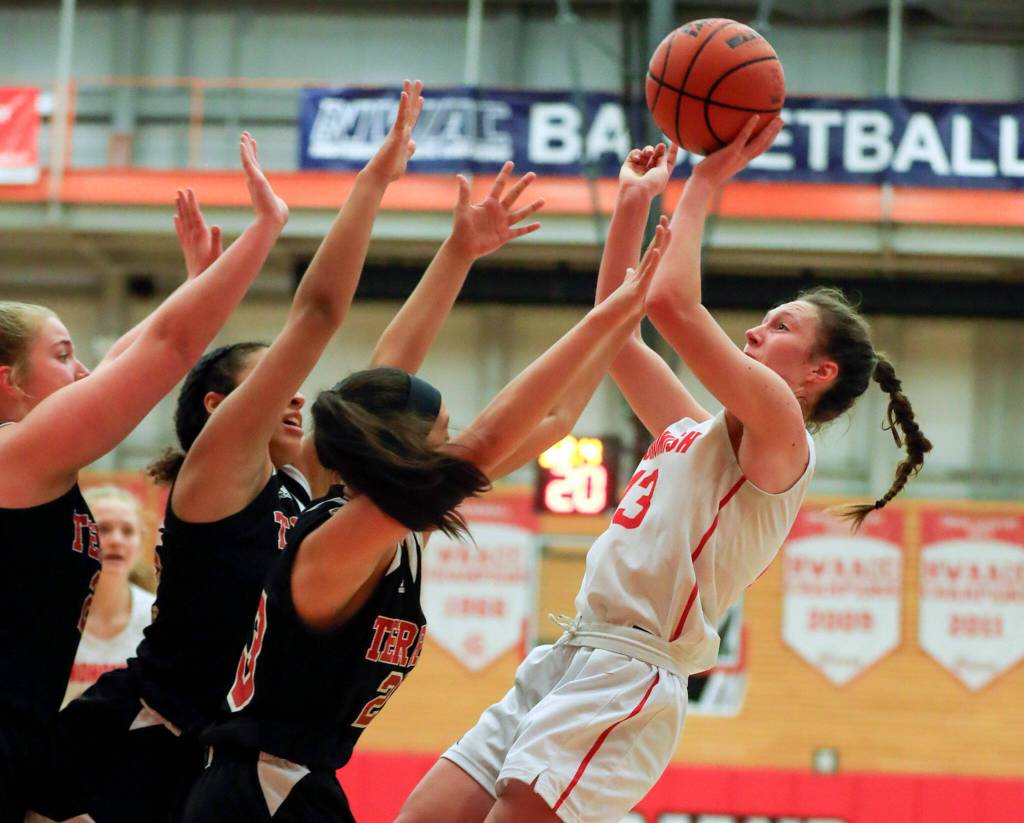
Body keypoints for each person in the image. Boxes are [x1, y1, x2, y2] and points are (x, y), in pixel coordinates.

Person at [396, 122, 932, 823]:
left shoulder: (780, 429)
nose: (753, 333)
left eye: (777, 328)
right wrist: (631, 205)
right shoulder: (693, 431)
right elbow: (613, 331)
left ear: (817, 373)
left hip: (631, 675)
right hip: (574, 651)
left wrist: (703, 183)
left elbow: (673, 306)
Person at [177, 222, 670, 823]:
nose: (451, 448)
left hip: (298, 785)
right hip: (255, 791)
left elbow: (557, 416)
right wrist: (601, 318)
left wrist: (621, 290)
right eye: (440, 436)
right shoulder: (337, 535)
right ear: (398, 449)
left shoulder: (392, 528)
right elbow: (487, 440)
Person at [0, 130, 287, 823]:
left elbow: (133, 355)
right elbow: (165, 350)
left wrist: (196, 283)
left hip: (25, 738)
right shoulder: (16, 453)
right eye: (63, 355)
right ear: (7, 380)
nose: (83, 372)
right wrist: (265, 231)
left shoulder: (40, 457)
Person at [63, 485, 156, 706]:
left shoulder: (157, 613)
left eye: (127, 531)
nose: (116, 540)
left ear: (140, 540)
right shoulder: (47, 612)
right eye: (103, 529)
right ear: (78, 536)